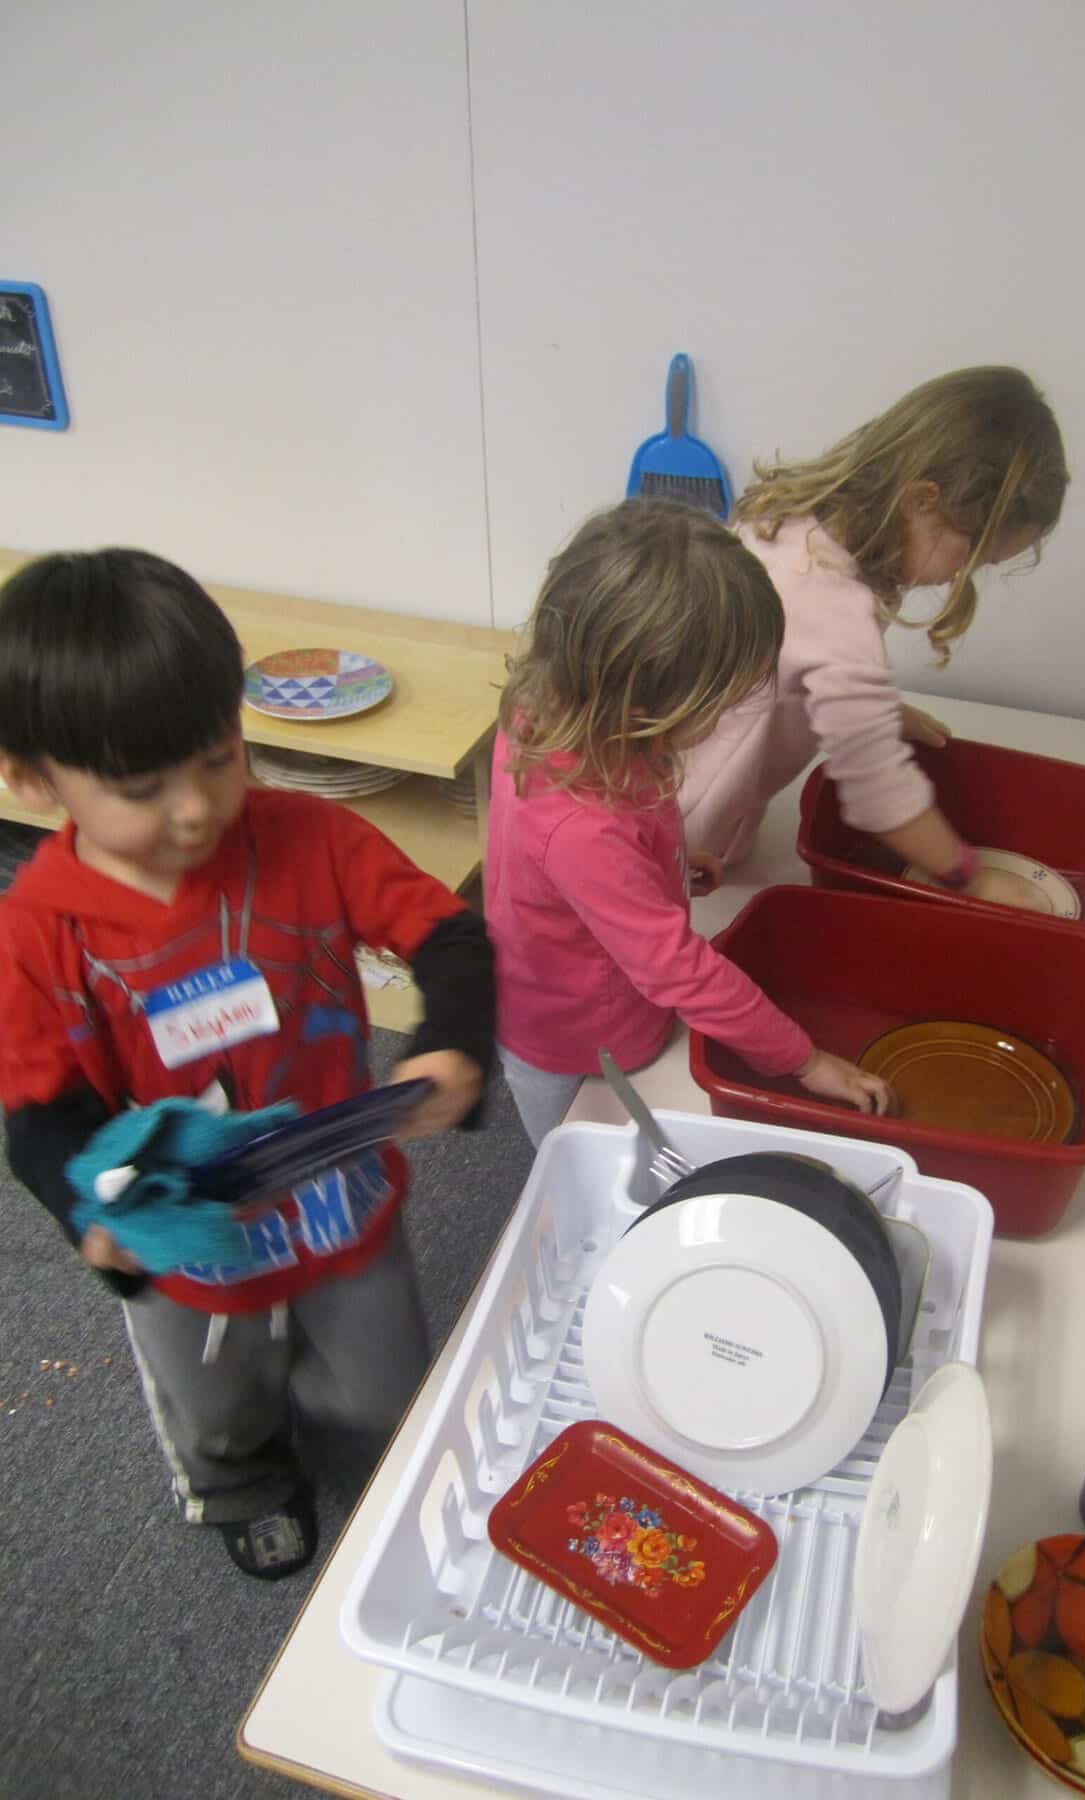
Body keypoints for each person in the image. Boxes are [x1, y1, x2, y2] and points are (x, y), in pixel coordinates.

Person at [0, 549, 495, 1580]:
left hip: (337, 1190)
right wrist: (91, 1215)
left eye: (219, 756)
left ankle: (368, 1468)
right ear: (32, 778)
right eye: (143, 788)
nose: (195, 809)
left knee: (381, 1382)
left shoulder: (308, 836)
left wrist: (450, 1041)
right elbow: (39, 1110)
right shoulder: (38, 932)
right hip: (183, 1225)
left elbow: (449, 935)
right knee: (217, 1399)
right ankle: (244, 1484)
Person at [485, 499, 894, 1147]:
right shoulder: (583, 826)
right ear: (643, 701)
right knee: (583, 1159)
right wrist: (803, 1059)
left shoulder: (558, 706)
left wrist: (667, 862)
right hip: (579, 1041)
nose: (731, 715)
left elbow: (615, 842)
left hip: (587, 986)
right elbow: (675, 967)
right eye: (721, 702)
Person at [679, 366, 1069, 907]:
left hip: (654, 773)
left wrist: (873, 709)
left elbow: (787, 665)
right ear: (923, 501)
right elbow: (880, 794)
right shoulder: (835, 613)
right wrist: (973, 878)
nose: (959, 579)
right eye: (968, 559)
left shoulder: (793, 521)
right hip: (688, 835)